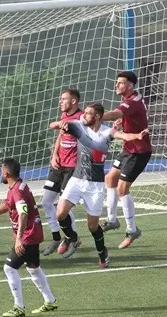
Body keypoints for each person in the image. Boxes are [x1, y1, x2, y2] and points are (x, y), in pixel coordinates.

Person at [55, 103, 149, 268]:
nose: (84, 115)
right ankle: (72, 237)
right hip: (76, 180)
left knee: (92, 226)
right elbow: (53, 125)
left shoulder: (107, 132)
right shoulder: (78, 126)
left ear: (97, 116)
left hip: (95, 186)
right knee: (60, 213)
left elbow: (123, 136)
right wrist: (60, 124)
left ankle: (102, 253)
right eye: (84, 112)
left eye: (88, 113)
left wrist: (137, 136)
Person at [0, 158, 57, 317]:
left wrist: (19, 238)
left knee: (9, 268)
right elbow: (7, 205)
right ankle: (50, 301)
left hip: (28, 235)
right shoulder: (17, 186)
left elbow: (23, 213)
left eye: (1, 171)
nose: (0, 173)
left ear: (6, 173)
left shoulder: (18, 191)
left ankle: (19, 307)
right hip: (33, 233)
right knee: (33, 267)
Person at [100, 71, 150, 249]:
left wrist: (93, 115)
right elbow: (122, 115)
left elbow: (114, 113)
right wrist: (121, 121)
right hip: (129, 149)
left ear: (130, 85)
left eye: (120, 83)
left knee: (122, 189)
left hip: (139, 151)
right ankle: (112, 220)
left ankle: (132, 230)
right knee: (110, 179)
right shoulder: (131, 100)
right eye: (117, 82)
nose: (117, 85)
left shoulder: (132, 102)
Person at [43, 88, 82, 256]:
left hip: (73, 167)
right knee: (46, 201)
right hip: (58, 165)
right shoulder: (65, 116)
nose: (60, 101)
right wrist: (54, 156)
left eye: (64, 99)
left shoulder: (81, 118)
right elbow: (58, 132)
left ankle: (72, 238)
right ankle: (56, 237)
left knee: (62, 206)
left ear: (73, 101)